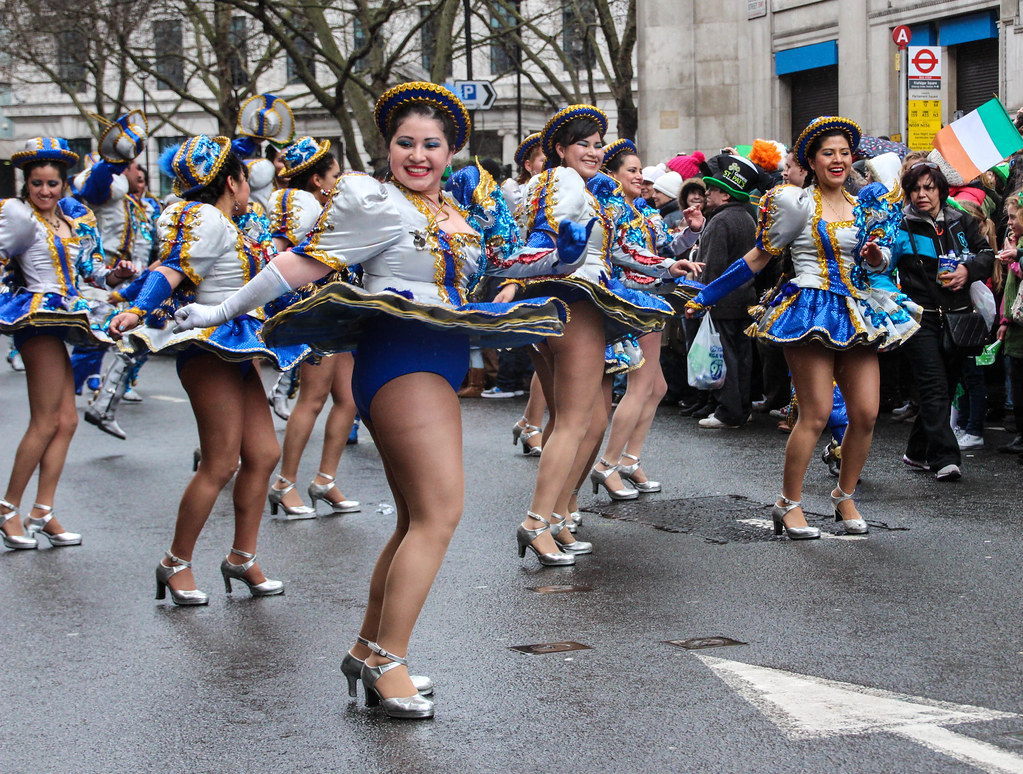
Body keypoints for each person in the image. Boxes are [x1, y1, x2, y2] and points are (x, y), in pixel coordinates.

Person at [171, 83, 578, 719]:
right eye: (405, 143)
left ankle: (369, 649)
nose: (417, 155)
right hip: (400, 360)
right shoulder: (376, 202)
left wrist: (558, 257)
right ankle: (391, 659)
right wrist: (220, 310)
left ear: (451, 151)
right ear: (387, 147)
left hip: (442, 356)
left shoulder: (452, 211)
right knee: (441, 515)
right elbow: (300, 264)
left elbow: (487, 273)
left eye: (431, 145)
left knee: (416, 519)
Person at [686, 116, 920, 538]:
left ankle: (843, 496)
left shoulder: (867, 204)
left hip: (858, 309)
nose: (838, 160)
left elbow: (882, 260)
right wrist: (705, 296)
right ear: (811, 160)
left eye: (845, 153)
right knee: (815, 413)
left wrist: (874, 258)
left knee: (865, 414)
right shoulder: (796, 202)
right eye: (828, 153)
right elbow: (757, 258)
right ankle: (788, 503)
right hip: (810, 306)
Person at [109, 135, 311, 605]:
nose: (248, 189)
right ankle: (175, 562)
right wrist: (138, 310)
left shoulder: (231, 225)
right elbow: (172, 270)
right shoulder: (206, 219)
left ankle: (242, 558)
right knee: (221, 462)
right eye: (243, 180)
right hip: (206, 351)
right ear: (231, 181)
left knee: (262, 454)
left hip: (236, 349)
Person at [512, 114, 694, 554]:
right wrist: (562, 259)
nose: (594, 151)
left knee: (589, 422)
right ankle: (538, 521)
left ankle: (558, 514)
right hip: (573, 303)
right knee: (576, 421)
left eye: (597, 144)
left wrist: (666, 265)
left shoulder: (585, 189)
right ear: (559, 148)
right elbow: (538, 243)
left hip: (587, 303)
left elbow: (616, 248)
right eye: (583, 144)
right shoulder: (561, 183)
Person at [0, 138, 131, 550]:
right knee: (45, 420)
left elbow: (91, 271)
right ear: (27, 184)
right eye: (37, 183)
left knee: (68, 420)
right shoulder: (18, 217)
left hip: (65, 314)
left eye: (52, 184)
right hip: (36, 320)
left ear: (63, 185)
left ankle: (43, 511)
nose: (45, 191)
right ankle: (7, 509)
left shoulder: (74, 219)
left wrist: (116, 275)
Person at [589, 138, 701, 499]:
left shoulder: (644, 209)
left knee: (657, 387)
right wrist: (667, 266)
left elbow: (663, 248)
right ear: (612, 174)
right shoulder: (613, 210)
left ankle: (629, 459)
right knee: (641, 386)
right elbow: (627, 255)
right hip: (633, 303)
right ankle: (608, 464)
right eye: (632, 171)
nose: (640, 177)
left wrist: (692, 231)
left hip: (652, 298)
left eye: (640, 170)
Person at [263, 136, 359, 519]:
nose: (339, 181)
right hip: (315, 309)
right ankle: (283, 484)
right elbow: (285, 254)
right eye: (334, 175)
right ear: (317, 179)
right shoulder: (296, 204)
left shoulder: (318, 205)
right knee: (313, 399)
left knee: (349, 400)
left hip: (338, 308)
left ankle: (325, 480)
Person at [891, 160, 995, 480]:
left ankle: (916, 451)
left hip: (956, 317)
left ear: (940, 189)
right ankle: (945, 458)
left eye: (928, 187)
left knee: (947, 386)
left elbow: (986, 256)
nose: (922, 194)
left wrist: (968, 271)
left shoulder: (959, 219)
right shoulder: (900, 224)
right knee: (934, 384)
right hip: (918, 317)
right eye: (915, 189)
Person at [683, 154, 759, 429]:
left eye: (712, 190)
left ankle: (728, 412)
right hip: (745, 299)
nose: (706, 194)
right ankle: (742, 408)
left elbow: (711, 267)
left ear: (725, 195)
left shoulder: (721, 220)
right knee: (742, 358)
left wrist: (702, 298)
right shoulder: (746, 216)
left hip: (723, 300)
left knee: (725, 357)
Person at [996, 189, 1023, 458]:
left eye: (1014, 217)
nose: (1010, 222)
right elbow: (1010, 290)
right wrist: (1003, 320)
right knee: (1016, 382)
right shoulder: (1013, 243)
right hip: (1015, 322)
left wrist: (1017, 255)